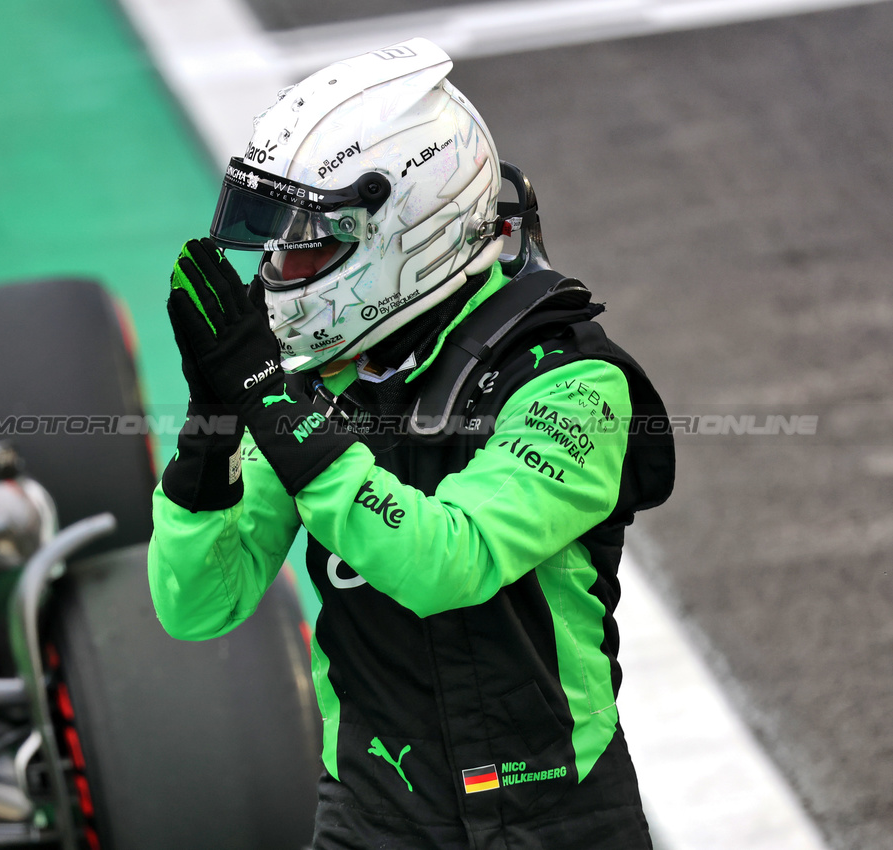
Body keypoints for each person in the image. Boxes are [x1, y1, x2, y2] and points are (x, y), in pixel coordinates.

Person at [149, 36, 675, 850]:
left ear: (406, 226)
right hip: (369, 820)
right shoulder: (311, 384)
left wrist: (278, 413)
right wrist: (210, 429)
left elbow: (446, 563)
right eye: (275, 243)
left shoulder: (572, 384)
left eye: (309, 241)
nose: (278, 270)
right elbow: (197, 605)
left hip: (557, 822)